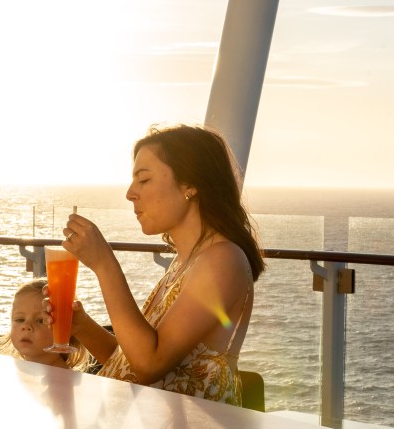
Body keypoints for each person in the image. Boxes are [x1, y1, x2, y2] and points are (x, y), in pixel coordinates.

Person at [51, 124, 264, 405]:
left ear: (189, 185)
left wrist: (104, 264)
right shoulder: (185, 263)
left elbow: (150, 364)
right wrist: (82, 326)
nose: (130, 193)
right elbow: (133, 362)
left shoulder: (222, 260)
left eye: (144, 179)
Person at [0, 279, 87, 370]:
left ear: (64, 329)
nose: (26, 326)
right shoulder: (14, 370)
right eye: (20, 320)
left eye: (40, 321)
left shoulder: (61, 377)